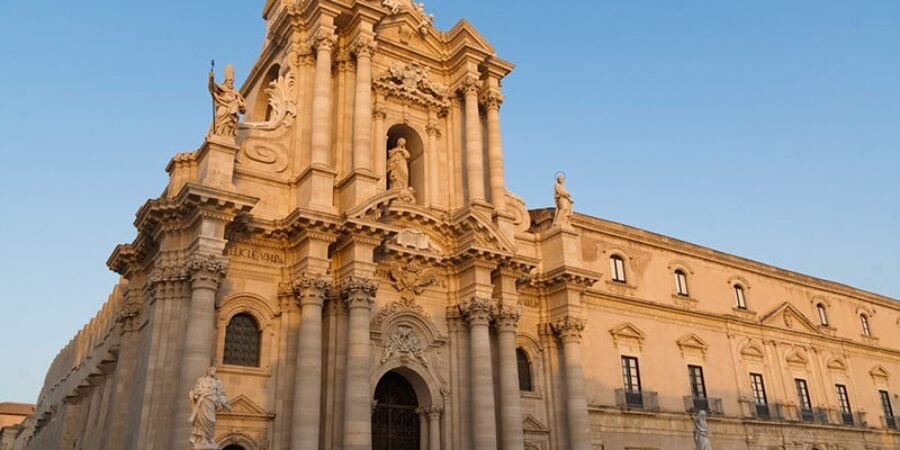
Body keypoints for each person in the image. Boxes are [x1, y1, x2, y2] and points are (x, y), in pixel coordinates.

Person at [189, 367, 231, 447]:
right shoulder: (201, 380)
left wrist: (225, 404)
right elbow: (196, 389)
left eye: (215, 371)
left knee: (211, 420)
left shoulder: (217, 382)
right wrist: (196, 395)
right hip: (203, 401)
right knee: (201, 420)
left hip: (212, 402)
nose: (214, 372)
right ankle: (201, 439)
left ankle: (208, 438)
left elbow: (221, 394)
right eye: (212, 370)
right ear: (208, 371)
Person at [209, 64, 246, 137]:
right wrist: (211, 79)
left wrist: (240, 104)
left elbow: (244, 108)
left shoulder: (236, 92)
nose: (231, 82)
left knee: (229, 127)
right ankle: (213, 134)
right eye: (229, 80)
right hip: (223, 110)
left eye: (232, 80)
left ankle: (226, 136)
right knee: (217, 122)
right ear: (226, 79)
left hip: (232, 114)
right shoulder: (222, 87)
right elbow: (212, 88)